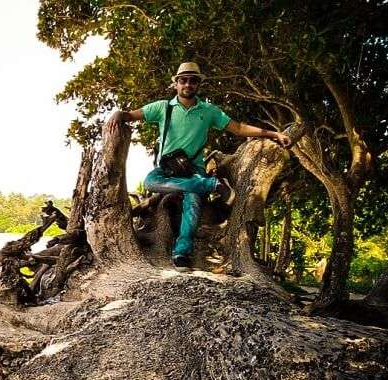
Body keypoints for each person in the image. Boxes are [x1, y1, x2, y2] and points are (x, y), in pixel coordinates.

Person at [105, 62, 291, 269]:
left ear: (198, 84)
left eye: (193, 80)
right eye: (183, 80)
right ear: (176, 83)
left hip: (195, 171)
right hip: (168, 169)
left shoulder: (209, 111)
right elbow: (130, 115)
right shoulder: (162, 108)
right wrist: (118, 114)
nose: (188, 84)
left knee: (192, 201)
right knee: (150, 181)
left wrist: (273, 133)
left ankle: (182, 252)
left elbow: (238, 128)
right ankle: (212, 185)